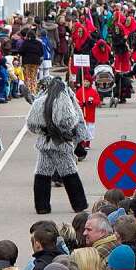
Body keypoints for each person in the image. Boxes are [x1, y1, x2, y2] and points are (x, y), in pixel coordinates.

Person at [26, 77, 89, 214]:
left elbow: (31, 125)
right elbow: (69, 121)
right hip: (61, 144)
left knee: (42, 174)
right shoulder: (64, 100)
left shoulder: (40, 101)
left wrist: (43, 130)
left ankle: (42, 206)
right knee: (69, 172)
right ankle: (79, 204)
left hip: (44, 143)